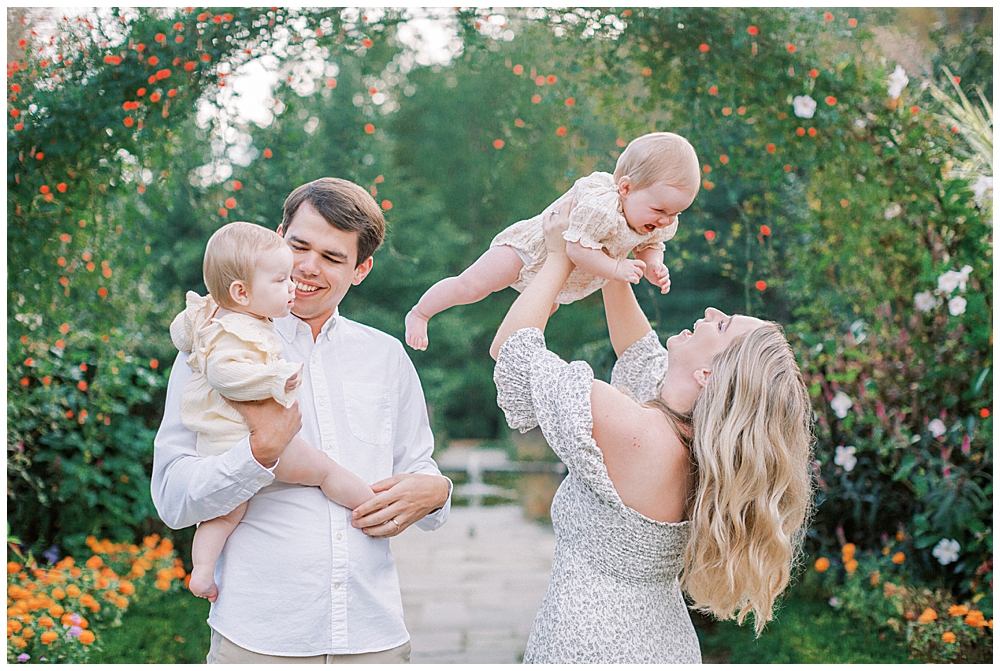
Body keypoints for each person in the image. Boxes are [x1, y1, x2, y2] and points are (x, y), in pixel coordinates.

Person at [489, 201, 814, 663]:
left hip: (591, 644)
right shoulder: (697, 442)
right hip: (661, 643)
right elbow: (640, 354)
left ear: (707, 375)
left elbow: (512, 351)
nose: (708, 310)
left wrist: (562, 256)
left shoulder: (631, 427)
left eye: (721, 325)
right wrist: (611, 257)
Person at [152, 178, 453, 664]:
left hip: (372, 633)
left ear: (361, 269)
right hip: (259, 637)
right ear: (277, 237)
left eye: (333, 258)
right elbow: (171, 498)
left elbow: (419, 463)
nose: (308, 268)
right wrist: (257, 457)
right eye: (298, 246)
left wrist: (437, 492)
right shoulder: (212, 349)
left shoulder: (386, 356)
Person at [169, 222, 376, 603]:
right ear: (241, 292)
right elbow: (224, 372)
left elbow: (181, 332)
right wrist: (276, 378)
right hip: (246, 439)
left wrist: (192, 331)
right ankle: (371, 507)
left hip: (220, 441)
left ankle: (201, 573)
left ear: (361, 267)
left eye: (331, 256)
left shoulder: (212, 316)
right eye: (281, 281)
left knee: (225, 514)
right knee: (324, 470)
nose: (295, 283)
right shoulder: (238, 331)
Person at [405, 131, 701, 350]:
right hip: (529, 251)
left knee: (543, 312)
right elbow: (574, 248)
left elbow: (651, 245)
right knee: (472, 286)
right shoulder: (600, 206)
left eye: (675, 213)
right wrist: (614, 269)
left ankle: (520, 351)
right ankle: (421, 312)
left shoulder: (656, 219)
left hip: (562, 277)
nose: (666, 220)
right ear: (625, 188)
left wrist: (654, 266)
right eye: (660, 210)